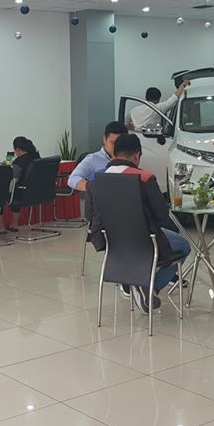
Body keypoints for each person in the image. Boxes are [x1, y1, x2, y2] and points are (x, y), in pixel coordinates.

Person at [86, 133, 191, 313]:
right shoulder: (144, 178)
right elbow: (161, 214)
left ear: (114, 153)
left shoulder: (95, 178)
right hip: (144, 240)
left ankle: (138, 283)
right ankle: (149, 288)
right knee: (183, 246)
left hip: (110, 241)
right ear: (137, 155)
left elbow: (89, 214)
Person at [67, 121, 128, 192]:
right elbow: (72, 179)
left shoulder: (130, 158)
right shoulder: (93, 159)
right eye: (112, 143)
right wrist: (95, 187)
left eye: (120, 143)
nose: (116, 147)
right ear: (104, 139)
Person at [1, 136, 40, 233]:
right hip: (38, 193)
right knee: (16, 191)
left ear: (18, 149)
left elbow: (14, 180)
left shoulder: (19, 162)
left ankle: (0, 227)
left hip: (23, 194)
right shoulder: (37, 157)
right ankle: (14, 224)